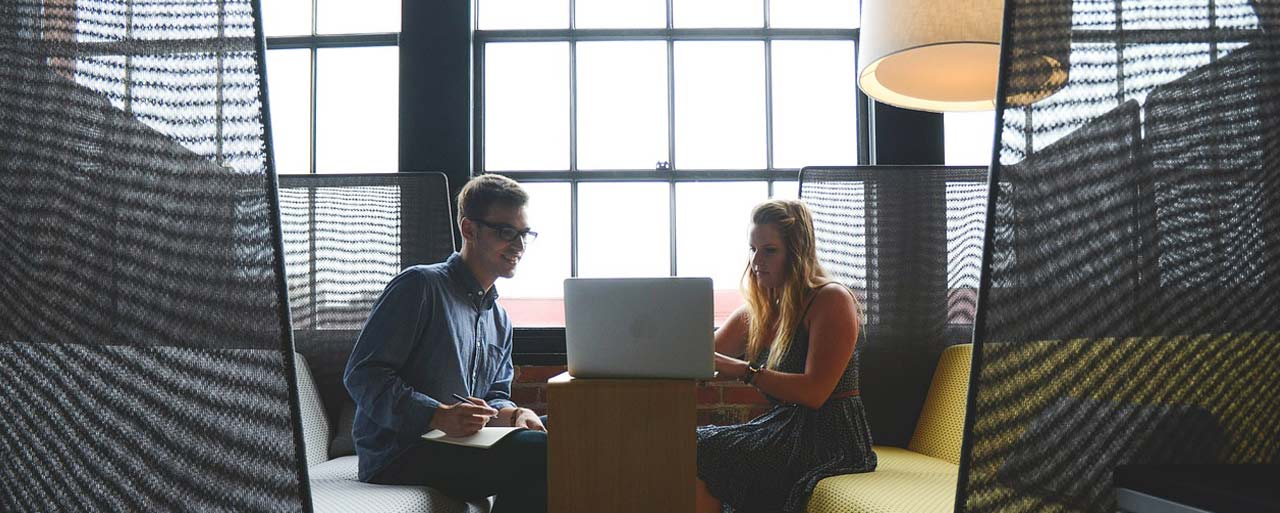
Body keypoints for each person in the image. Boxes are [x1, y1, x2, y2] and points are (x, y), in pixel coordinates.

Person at [344, 174, 547, 513]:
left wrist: (513, 414)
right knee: (538, 452)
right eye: (506, 232)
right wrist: (436, 415)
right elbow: (363, 375)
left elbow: (494, 395)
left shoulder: (499, 318)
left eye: (524, 234)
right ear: (469, 229)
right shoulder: (420, 286)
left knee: (566, 443)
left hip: (460, 447)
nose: (519, 246)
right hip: (399, 453)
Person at [695, 199, 877, 513]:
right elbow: (699, 355)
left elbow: (814, 392)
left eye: (769, 250)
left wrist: (744, 370)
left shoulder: (830, 299)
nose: (756, 261)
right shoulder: (760, 311)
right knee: (690, 443)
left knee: (702, 449)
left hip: (831, 437)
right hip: (785, 427)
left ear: (796, 253)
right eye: (752, 249)